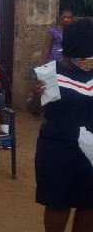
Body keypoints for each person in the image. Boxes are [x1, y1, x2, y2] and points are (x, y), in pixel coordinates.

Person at [27, 19, 93, 232]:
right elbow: (34, 111)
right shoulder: (49, 73)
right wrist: (36, 97)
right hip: (58, 150)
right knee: (58, 203)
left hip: (91, 153)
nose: (87, 62)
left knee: (89, 203)